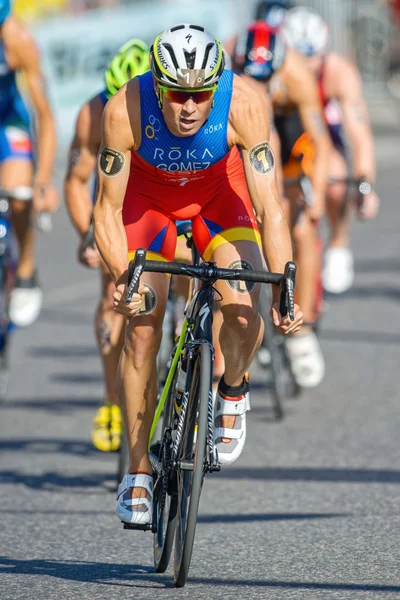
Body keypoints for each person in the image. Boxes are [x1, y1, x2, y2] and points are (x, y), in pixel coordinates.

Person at [93, 23, 303, 525]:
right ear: (159, 86)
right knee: (142, 331)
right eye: (178, 94)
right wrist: (123, 275)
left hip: (216, 198)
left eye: (200, 94)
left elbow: (272, 208)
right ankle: (139, 470)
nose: (189, 107)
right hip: (149, 204)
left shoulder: (246, 104)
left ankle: (232, 388)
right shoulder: (125, 108)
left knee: (244, 309)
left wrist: (285, 285)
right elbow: (105, 209)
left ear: (217, 85)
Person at [234, 20, 331, 388]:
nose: (258, 83)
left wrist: (316, 193)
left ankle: (300, 331)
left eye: (264, 78)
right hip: (248, 127)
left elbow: (319, 142)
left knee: (302, 227)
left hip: (290, 133)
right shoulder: (230, 68)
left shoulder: (297, 74)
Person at [64, 39, 150, 452]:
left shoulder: (167, 107)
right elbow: (77, 181)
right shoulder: (93, 111)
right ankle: (112, 401)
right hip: (114, 209)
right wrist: (89, 235)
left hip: (159, 202)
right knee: (110, 299)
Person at [281, 7, 380, 294]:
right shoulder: (276, 71)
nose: (307, 68)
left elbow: (360, 135)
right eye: (300, 59)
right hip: (286, 132)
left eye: (313, 59)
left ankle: (338, 241)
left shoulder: (338, 72)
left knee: (336, 179)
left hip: (320, 136)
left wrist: (365, 186)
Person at [0, 0, 58, 327]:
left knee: (18, 193)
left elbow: (46, 117)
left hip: (9, 122)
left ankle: (24, 266)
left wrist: (44, 178)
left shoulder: (17, 39)